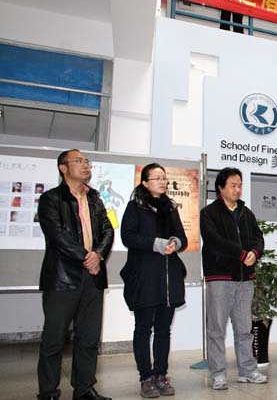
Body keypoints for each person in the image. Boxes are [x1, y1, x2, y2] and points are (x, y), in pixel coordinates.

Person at [36, 149, 114, 400]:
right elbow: (57, 234)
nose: (85, 165)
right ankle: (48, 392)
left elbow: (108, 230)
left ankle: (84, 389)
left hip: (93, 278)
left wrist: (98, 255)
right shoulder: (50, 199)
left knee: (88, 338)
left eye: (87, 161)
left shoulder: (95, 198)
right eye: (78, 161)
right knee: (54, 339)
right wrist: (86, 257)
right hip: (62, 278)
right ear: (63, 168)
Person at [120, 163, 188, 398]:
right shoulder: (135, 207)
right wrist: (157, 244)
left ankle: (161, 374)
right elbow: (128, 237)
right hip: (144, 277)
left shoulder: (170, 207)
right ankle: (146, 377)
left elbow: (182, 236)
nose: (162, 182)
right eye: (157, 178)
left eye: (164, 178)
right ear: (145, 182)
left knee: (163, 330)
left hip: (168, 278)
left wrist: (175, 243)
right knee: (143, 329)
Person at [200, 167, 268, 390]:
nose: (237, 189)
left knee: (244, 329)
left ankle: (247, 371)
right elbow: (214, 241)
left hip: (245, 279)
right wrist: (241, 254)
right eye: (233, 185)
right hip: (220, 278)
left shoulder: (246, 213)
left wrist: (255, 253)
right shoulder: (209, 213)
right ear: (220, 188)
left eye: (240, 185)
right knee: (217, 330)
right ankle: (218, 374)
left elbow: (258, 237)